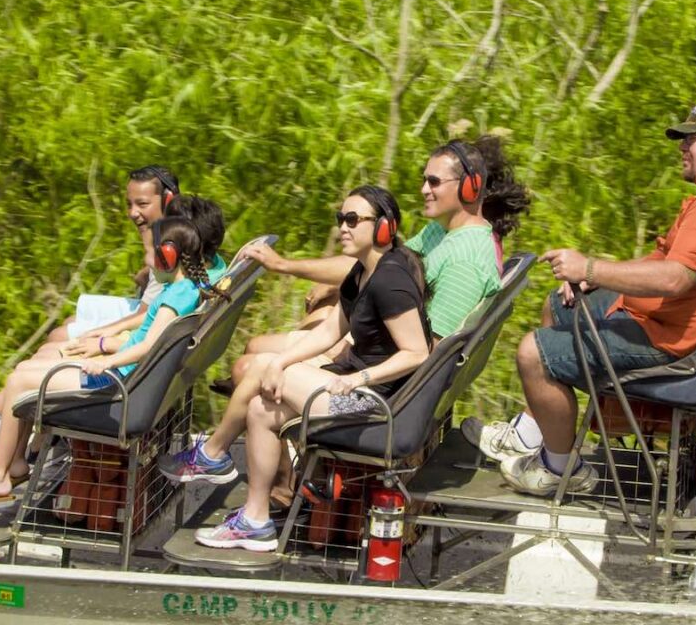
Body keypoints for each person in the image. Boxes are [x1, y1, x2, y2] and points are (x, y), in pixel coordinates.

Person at [166, 136, 529, 485]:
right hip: (375, 357)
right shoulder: (443, 233)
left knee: (254, 370)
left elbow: (428, 356)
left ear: (470, 187)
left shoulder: (464, 261)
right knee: (262, 357)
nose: (423, 189)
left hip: (381, 395)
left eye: (433, 181)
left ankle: (247, 470)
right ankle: (262, 493)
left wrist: (352, 371)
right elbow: (382, 267)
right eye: (424, 180)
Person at [491, 100, 696, 497]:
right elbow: (669, 260)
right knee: (558, 306)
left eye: (690, 139)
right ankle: (532, 430)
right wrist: (599, 276)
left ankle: (559, 469)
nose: (681, 148)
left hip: (675, 346)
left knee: (532, 354)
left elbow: (675, 278)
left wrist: (589, 269)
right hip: (674, 325)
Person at [0, 200, 226, 510]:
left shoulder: (176, 296)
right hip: (128, 378)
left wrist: (105, 359)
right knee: (29, 370)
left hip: (115, 384)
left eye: (150, 255)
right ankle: (12, 466)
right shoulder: (189, 288)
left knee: (18, 382)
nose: (146, 264)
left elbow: (151, 345)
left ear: (167, 257)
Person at [193, 187, 430, 550]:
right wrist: (286, 361)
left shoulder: (391, 280)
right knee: (261, 408)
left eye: (353, 220)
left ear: (384, 227)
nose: (343, 228)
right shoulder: (360, 273)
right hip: (354, 391)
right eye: (341, 220)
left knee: (259, 365)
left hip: (373, 405)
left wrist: (357, 379)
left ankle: (211, 454)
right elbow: (330, 331)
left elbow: (416, 353)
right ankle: (255, 520)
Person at [0, 164, 184, 451]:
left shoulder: (170, 241)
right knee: (64, 327)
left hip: (143, 335)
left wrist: (102, 337)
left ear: (168, 199)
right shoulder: (165, 233)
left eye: (142, 204)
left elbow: (149, 314)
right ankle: (0, 424)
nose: (133, 213)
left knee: (57, 342)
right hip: (149, 315)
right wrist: (146, 276)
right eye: (129, 204)